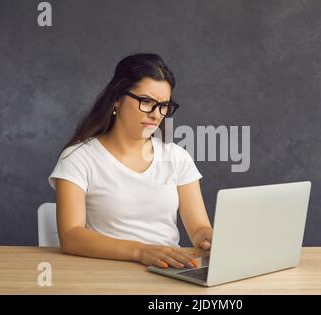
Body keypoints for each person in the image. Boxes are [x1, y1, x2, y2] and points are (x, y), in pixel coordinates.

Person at [48, 53, 212, 269]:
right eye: (146, 102)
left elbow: (199, 227)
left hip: (168, 272)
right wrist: (141, 251)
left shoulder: (176, 157)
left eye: (164, 105)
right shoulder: (78, 158)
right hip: (105, 274)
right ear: (117, 98)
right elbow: (71, 236)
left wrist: (208, 239)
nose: (156, 114)